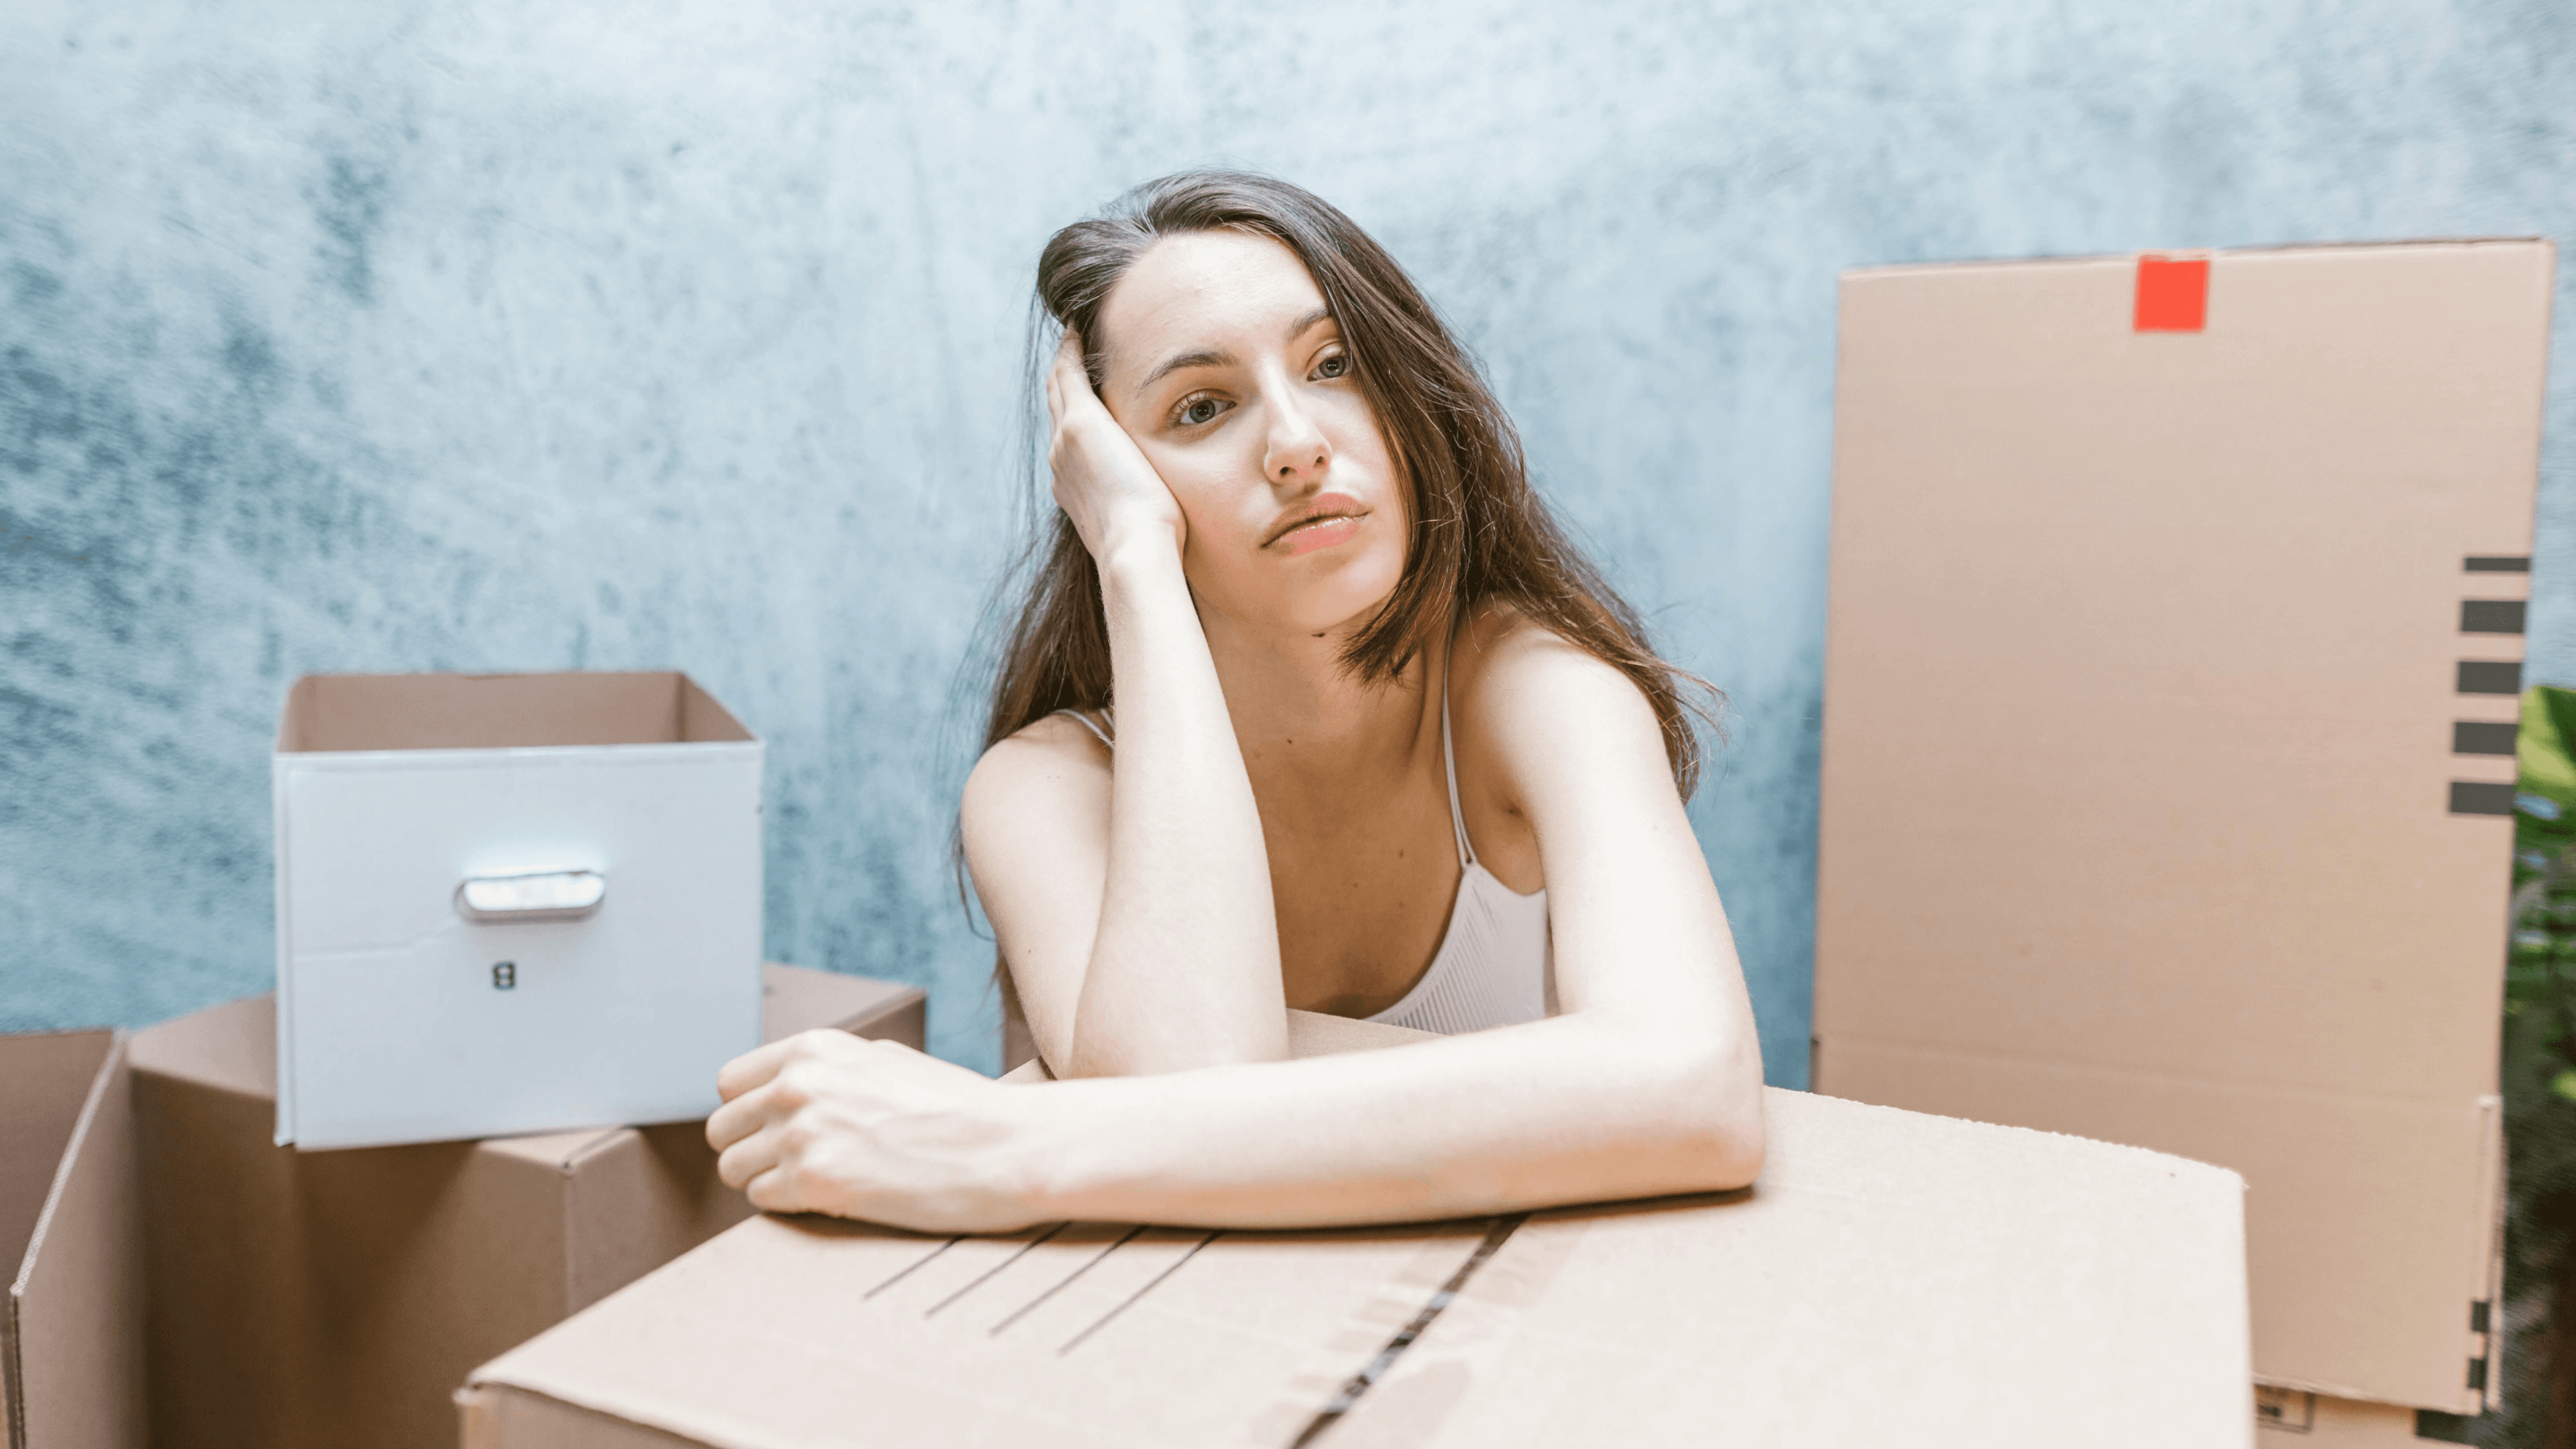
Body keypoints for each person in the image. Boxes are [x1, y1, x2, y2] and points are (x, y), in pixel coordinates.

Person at [706, 171, 1766, 1234]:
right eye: (1201, 407)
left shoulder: (1535, 690)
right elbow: (1176, 1090)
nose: (1299, 443)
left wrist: (1001, 1147)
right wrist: (1133, 558)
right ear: (1108, 471)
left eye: (1337, 363)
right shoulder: (1046, 787)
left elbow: (1696, 1089)